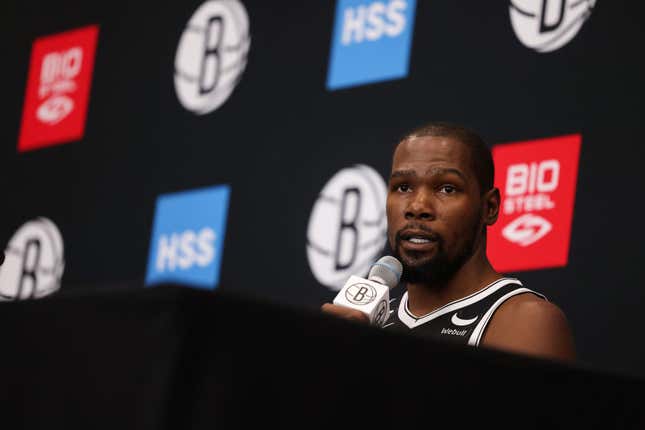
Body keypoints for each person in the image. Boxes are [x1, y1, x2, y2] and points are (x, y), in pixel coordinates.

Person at [322, 122, 575, 362]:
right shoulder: (369, 324)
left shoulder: (525, 320)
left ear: (490, 207)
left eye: (447, 189)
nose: (417, 206)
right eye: (403, 187)